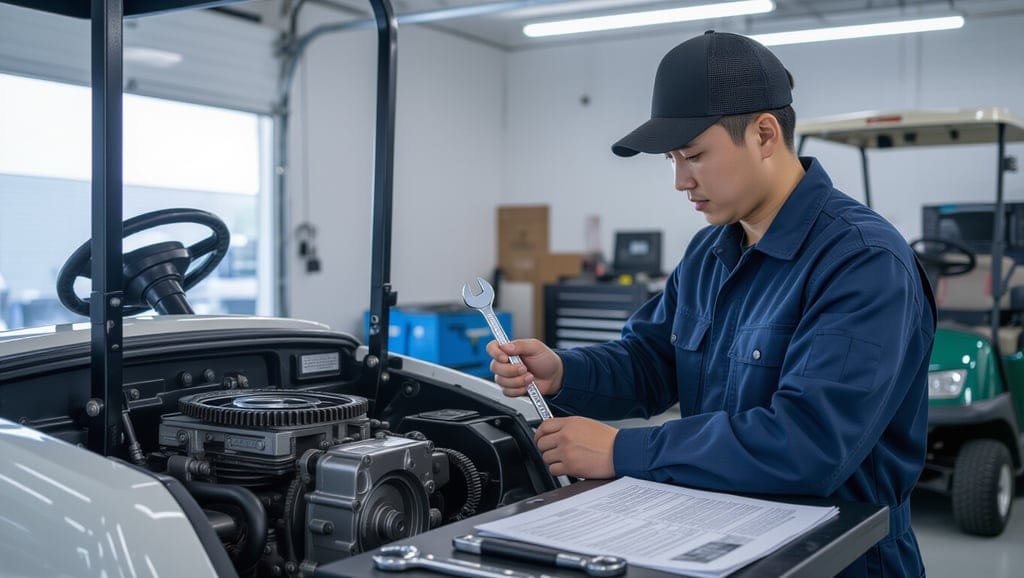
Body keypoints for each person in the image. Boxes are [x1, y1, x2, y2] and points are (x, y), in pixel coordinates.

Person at [487, 31, 934, 577]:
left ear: (765, 134)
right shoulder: (711, 250)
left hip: (838, 560)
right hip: (719, 541)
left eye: (695, 156)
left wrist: (622, 453)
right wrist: (562, 371)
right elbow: (651, 362)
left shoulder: (862, 261)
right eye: (673, 159)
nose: (680, 180)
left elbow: (809, 444)